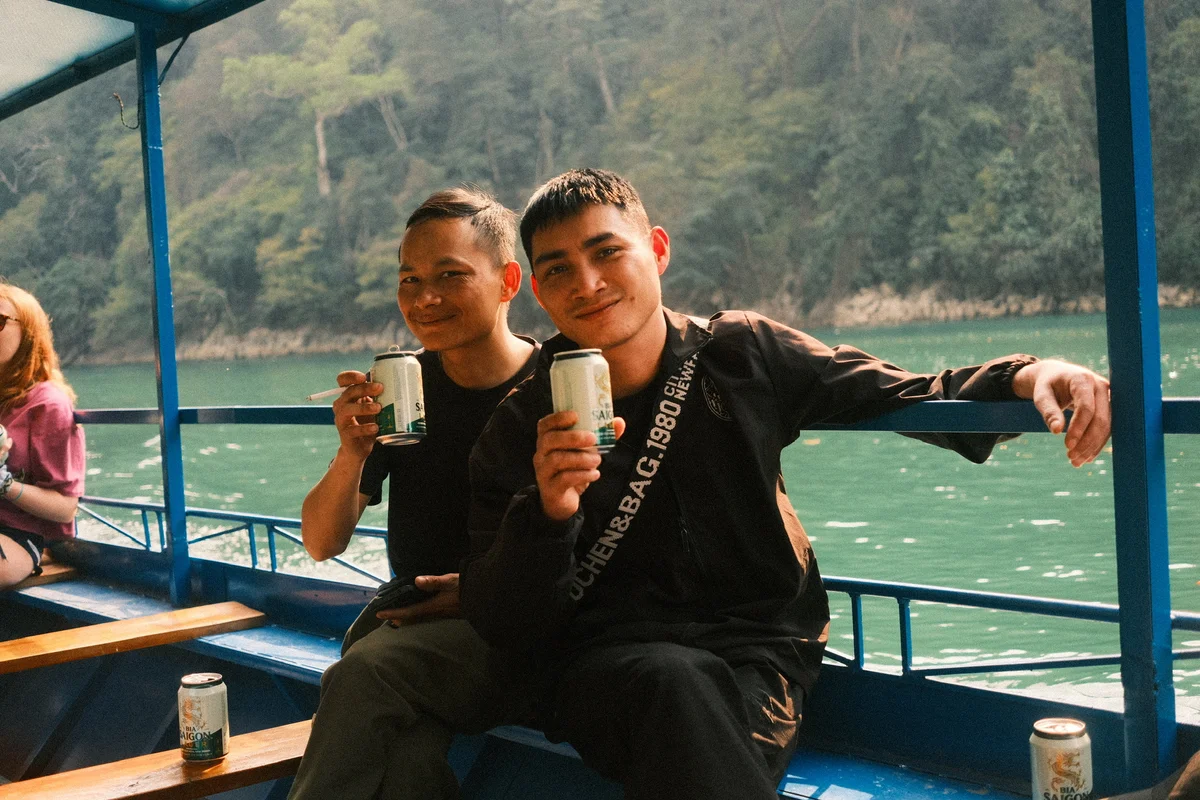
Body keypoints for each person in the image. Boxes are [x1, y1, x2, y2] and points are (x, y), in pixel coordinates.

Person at [460, 168, 1112, 800]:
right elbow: (503, 621)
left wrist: (1028, 375)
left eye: (608, 252)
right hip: (603, 665)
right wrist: (546, 513)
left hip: (760, 653)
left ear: (656, 250)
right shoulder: (521, 424)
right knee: (673, 685)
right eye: (559, 270)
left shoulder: (741, 353)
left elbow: (909, 394)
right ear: (539, 294)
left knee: (704, 726)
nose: (589, 282)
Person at [289, 188, 538, 800]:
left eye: (450, 276)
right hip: (411, 627)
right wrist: (352, 452)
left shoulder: (555, 386)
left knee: (367, 675)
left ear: (509, 281)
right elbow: (322, 542)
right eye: (410, 280)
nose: (424, 298)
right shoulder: (407, 389)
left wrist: (479, 594)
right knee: (404, 757)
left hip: (517, 628)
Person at [0, 284, 86, 589]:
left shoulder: (47, 404)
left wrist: (3, 482)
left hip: (16, 535)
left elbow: (65, 508)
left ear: (29, 333)